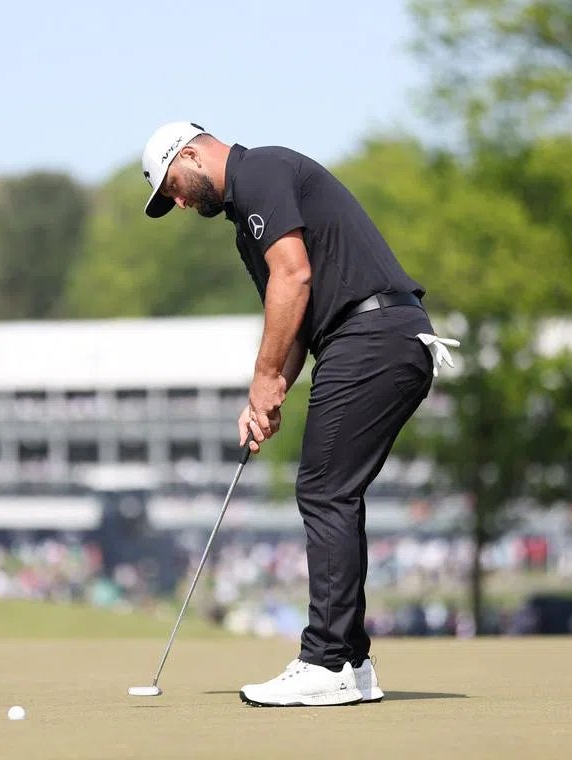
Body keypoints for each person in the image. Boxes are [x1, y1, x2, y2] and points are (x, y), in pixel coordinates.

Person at [139, 121, 458, 707]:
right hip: (370, 338)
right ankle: (354, 663)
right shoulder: (245, 225)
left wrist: (265, 380)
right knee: (334, 489)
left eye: (173, 188)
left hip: (374, 333)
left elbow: (294, 274)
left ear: (190, 153)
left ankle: (327, 660)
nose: (178, 203)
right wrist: (267, 396)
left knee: (323, 490)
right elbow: (293, 318)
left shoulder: (260, 170)